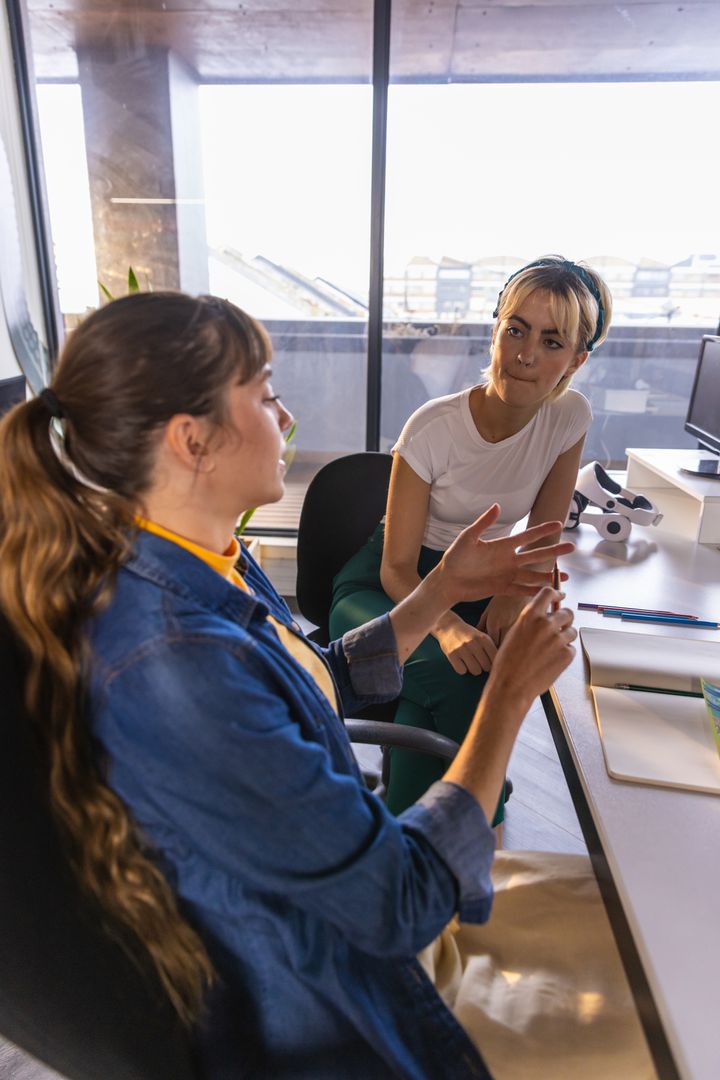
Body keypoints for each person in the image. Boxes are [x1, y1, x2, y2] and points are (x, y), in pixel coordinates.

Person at [0, 292, 644, 1080]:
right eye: (266, 394)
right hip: (345, 999)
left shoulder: (196, 559)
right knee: (663, 974)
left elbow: (318, 679)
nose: (288, 413)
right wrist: (508, 696)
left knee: (641, 915)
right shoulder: (172, 658)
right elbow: (399, 908)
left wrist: (443, 588)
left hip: (352, 904)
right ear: (192, 440)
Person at [329, 256, 613, 820]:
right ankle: (486, 812)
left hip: (483, 577)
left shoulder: (568, 417)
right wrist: (450, 625)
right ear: (496, 332)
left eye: (552, 341)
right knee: (462, 674)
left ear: (577, 360)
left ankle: (415, 838)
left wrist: (512, 594)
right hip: (390, 588)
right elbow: (395, 570)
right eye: (516, 330)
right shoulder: (434, 427)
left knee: (427, 702)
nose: (525, 354)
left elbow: (543, 536)